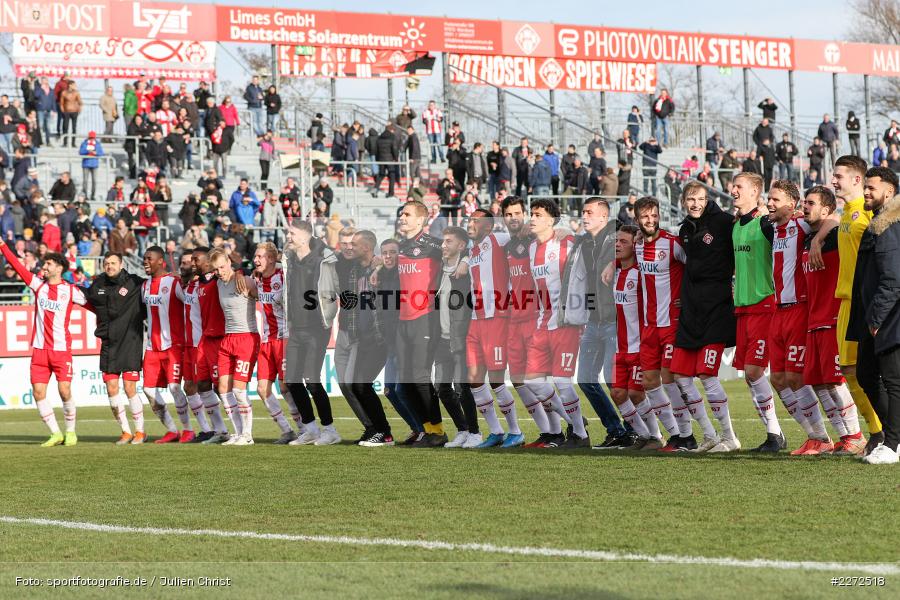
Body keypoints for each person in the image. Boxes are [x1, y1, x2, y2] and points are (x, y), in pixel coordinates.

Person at [668, 183, 739, 452]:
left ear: (707, 199)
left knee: (706, 374)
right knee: (681, 376)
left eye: (700, 199)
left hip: (716, 310)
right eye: (690, 199)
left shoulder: (723, 222)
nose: (695, 204)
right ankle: (709, 435)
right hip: (691, 311)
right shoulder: (685, 229)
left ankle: (729, 437)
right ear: (684, 201)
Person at [764, 181, 833, 455]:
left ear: (791, 205)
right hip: (777, 310)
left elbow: (834, 220)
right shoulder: (773, 228)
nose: (769, 203)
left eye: (775, 199)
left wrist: (817, 239)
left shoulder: (800, 224)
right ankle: (813, 435)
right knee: (778, 380)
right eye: (768, 198)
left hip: (799, 309)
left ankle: (823, 437)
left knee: (795, 377)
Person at [0, 239, 89, 446]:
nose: (44, 267)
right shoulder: (38, 285)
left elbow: (94, 305)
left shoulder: (71, 291)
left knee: (64, 390)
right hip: (39, 350)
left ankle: (71, 431)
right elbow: (17, 266)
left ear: (59, 267)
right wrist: (3, 247)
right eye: (44, 264)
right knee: (38, 393)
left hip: (61, 350)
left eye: (48, 264)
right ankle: (56, 433)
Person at [800, 185, 866, 455]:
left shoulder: (835, 234)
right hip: (813, 319)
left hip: (831, 316)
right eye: (804, 201)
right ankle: (842, 435)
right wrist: (814, 240)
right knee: (818, 381)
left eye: (811, 203)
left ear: (825, 209)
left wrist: (820, 238)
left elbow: (839, 218)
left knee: (836, 380)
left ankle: (856, 435)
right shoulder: (807, 238)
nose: (805, 206)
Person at [523, 198, 590, 447]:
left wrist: (569, 231)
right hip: (542, 323)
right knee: (532, 381)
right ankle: (575, 422)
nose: (532, 218)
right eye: (532, 214)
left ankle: (581, 436)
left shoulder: (567, 242)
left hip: (566, 323)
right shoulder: (532, 248)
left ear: (551, 219)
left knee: (562, 381)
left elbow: (588, 246)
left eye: (538, 214)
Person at [827, 155, 883, 452]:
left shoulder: (869, 213)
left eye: (839, 176)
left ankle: (882, 432)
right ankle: (878, 431)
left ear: (857, 180)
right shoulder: (847, 212)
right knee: (850, 371)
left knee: (870, 371)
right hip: (846, 302)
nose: (834, 180)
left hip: (865, 303)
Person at [626, 197, 688, 450]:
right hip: (648, 326)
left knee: (670, 378)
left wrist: (686, 298)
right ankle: (673, 434)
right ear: (637, 219)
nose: (650, 221)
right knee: (650, 382)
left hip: (671, 324)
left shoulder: (673, 244)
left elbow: (695, 269)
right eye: (645, 217)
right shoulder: (637, 245)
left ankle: (686, 434)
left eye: (654, 216)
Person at [730, 172, 785, 451]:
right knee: (750, 375)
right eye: (733, 185)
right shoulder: (736, 226)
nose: (733, 190)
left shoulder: (765, 223)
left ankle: (779, 434)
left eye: (739, 186)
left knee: (755, 370)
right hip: (742, 309)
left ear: (754, 191)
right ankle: (773, 434)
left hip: (765, 305)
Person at [849, 167, 900, 464]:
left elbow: (893, 279)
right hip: (874, 316)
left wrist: (877, 318)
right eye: (865, 187)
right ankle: (894, 436)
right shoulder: (877, 222)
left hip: (889, 317)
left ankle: (892, 445)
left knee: (893, 380)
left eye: (872, 187)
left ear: (889, 191)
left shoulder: (889, 226)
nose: (866, 192)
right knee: (867, 375)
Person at [576, 198, 632, 448]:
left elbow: (638, 246)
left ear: (603, 216)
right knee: (586, 379)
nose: (584, 216)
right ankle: (616, 430)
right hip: (593, 320)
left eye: (589, 212)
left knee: (614, 381)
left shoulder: (617, 235)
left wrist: (614, 261)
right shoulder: (585, 242)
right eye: (583, 212)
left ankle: (635, 430)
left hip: (615, 320)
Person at [284, 220, 342, 446]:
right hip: (296, 328)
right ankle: (310, 429)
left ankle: (330, 430)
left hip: (317, 328)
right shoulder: (288, 259)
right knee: (292, 381)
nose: (288, 236)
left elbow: (337, 286)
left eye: (292, 233)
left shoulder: (323, 260)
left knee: (312, 381)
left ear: (305, 237)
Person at [393, 201, 446, 446]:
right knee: (405, 381)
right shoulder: (401, 246)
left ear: (420, 220)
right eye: (401, 214)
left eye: (407, 214)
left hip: (425, 318)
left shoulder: (434, 244)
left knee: (420, 376)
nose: (402, 217)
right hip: (402, 321)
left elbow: (462, 249)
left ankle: (438, 431)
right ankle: (425, 430)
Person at [85, 252, 148, 444]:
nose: (109, 266)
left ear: (121, 264)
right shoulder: (97, 285)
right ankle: (125, 431)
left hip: (130, 342)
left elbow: (155, 286)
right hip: (109, 344)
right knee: (111, 388)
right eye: (106, 263)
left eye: (113, 263)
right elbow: (83, 296)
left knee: (130, 388)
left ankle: (140, 431)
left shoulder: (135, 282)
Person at [609, 225, 662, 449]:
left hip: (641, 344)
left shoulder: (642, 273)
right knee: (618, 393)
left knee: (636, 393)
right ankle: (642, 435)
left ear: (634, 246)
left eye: (623, 242)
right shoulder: (616, 271)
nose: (618, 245)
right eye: (616, 241)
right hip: (621, 346)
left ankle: (657, 437)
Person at [140, 246, 194, 444]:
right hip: (151, 348)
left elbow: (190, 305)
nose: (145, 261)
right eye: (144, 258)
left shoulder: (174, 283)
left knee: (174, 388)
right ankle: (172, 430)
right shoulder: (145, 286)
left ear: (161, 261)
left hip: (173, 345)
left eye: (149, 258)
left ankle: (188, 429)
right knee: (147, 389)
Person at [206, 248, 259, 445]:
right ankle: (238, 433)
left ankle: (248, 435)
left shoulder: (243, 280)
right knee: (223, 389)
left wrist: (245, 274)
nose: (220, 271)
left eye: (222, 266)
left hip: (246, 337)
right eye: (216, 269)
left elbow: (263, 296)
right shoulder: (219, 283)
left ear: (229, 262)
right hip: (227, 340)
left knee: (238, 390)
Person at [376, 238, 424, 444]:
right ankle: (417, 428)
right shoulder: (381, 275)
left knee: (402, 389)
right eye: (385, 252)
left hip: (404, 339)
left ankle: (425, 429)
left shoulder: (405, 275)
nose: (388, 256)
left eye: (392, 252)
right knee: (390, 390)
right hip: (389, 342)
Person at [252, 242, 300, 444]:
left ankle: (305, 428)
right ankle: (286, 430)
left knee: (286, 387)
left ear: (271, 259)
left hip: (283, 338)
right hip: (265, 341)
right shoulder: (256, 280)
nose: (256, 260)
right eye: (255, 256)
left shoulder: (283, 277)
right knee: (262, 389)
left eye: (260, 257)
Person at [371, 125, 399, 198]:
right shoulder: (392, 137)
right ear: (391, 130)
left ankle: (375, 189)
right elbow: (394, 148)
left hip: (381, 159)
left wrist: (377, 159)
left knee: (381, 175)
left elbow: (376, 150)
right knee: (392, 175)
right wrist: (396, 158)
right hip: (390, 159)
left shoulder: (379, 138)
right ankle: (391, 192)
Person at [79, 131, 104, 201]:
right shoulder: (84, 143)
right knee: (85, 181)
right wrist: (88, 151)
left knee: (94, 181)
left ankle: (93, 195)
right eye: (91, 137)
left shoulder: (97, 144)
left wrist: (95, 152)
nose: (92, 139)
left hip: (94, 164)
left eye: (93, 138)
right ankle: (85, 195)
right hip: (86, 164)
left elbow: (101, 153)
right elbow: (81, 152)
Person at [59, 81, 82, 148]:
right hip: (66, 111)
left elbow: (80, 101)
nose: (75, 86)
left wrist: (79, 109)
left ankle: (73, 143)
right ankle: (65, 142)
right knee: (65, 127)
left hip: (74, 111)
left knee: (74, 128)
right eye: (73, 85)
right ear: (70, 85)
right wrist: (63, 110)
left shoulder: (76, 93)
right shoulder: (64, 93)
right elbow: (61, 103)